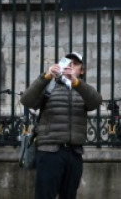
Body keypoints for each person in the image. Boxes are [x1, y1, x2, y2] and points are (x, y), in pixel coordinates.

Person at [20, 51, 102, 199]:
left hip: (74, 152)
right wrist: (46, 76)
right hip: (49, 151)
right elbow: (26, 100)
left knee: (69, 195)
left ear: (81, 71)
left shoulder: (83, 90)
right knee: (45, 195)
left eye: (75, 64)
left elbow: (95, 102)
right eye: (68, 63)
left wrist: (76, 82)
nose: (70, 66)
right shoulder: (49, 88)